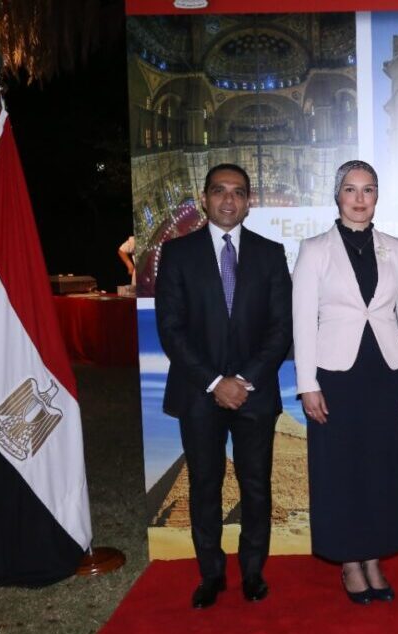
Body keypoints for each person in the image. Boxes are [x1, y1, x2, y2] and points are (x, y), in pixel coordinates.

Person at [155, 163, 293, 609]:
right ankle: (211, 574)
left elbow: (280, 329)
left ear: (249, 201)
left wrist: (243, 380)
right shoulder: (176, 254)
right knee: (204, 486)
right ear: (204, 197)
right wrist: (216, 382)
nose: (228, 199)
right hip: (199, 393)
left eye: (238, 192)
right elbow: (171, 330)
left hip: (255, 394)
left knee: (256, 486)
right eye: (219, 191)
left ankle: (253, 572)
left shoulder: (271, 254)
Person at [292, 160, 398, 605]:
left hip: (387, 372)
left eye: (368, 190)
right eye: (350, 189)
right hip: (335, 374)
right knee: (340, 467)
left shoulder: (396, 247)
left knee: (381, 466)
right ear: (337, 195)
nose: (359, 199)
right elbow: (303, 321)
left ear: (376, 196)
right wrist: (307, 383)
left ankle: (374, 556)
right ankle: (350, 559)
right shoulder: (314, 249)